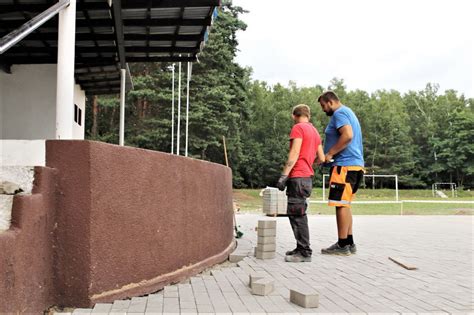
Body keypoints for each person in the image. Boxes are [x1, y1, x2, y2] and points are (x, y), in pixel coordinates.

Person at [318, 91, 364, 255]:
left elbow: (348, 135)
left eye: (323, 106)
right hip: (355, 166)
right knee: (345, 204)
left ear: (330, 102)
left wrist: (330, 153)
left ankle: (342, 244)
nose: (323, 110)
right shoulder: (348, 112)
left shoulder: (339, 113)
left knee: (340, 205)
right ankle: (349, 242)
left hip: (344, 166)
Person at [276, 104, 325, 263]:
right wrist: (309, 162)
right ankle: (300, 247)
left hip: (297, 177)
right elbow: (322, 158)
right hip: (307, 178)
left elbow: (294, 152)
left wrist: (284, 175)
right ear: (308, 115)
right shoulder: (315, 131)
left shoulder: (298, 128)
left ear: (294, 116)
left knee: (297, 214)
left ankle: (304, 252)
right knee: (298, 212)